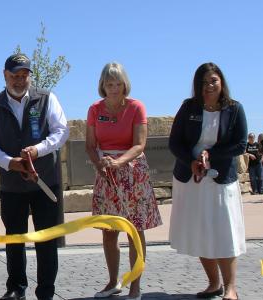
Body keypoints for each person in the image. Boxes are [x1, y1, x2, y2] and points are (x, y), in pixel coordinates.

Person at [0, 53, 69, 300]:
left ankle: (46, 291)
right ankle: (16, 288)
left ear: (30, 76)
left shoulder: (47, 98)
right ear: (4, 75)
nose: (20, 80)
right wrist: (10, 162)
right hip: (12, 185)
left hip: (45, 181)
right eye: (14, 76)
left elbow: (61, 131)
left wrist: (38, 150)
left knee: (47, 239)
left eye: (24, 75)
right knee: (14, 239)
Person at [168, 62, 247, 300]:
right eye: (204, 82)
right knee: (201, 230)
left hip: (220, 179)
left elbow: (240, 144)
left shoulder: (235, 109)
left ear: (221, 82)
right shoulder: (188, 107)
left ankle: (231, 287)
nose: (209, 86)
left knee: (224, 231)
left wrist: (211, 155)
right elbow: (175, 142)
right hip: (192, 178)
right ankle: (214, 284)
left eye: (213, 81)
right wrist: (191, 161)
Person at [85, 62, 161, 300]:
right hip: (106, 174)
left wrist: (119, 162)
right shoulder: (95, 109)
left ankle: (135, 285)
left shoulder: (136, 107)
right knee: (109, 231)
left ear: (124, 84)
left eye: (118, 84)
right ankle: (112, 282)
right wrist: (100, 165)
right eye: (109, 84)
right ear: (103, 85)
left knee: (134, 230)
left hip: (132, 173)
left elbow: (139, 144)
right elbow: (90, 145)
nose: (114, 89)